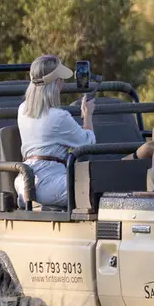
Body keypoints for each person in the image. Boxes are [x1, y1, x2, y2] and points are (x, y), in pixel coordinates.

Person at [15, 54, 95, 208]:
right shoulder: (59, 117)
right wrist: (87, 115)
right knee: (97, 186)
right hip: (50, 184)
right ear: (56, 83)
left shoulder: (22, 109)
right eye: (61, 79)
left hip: (25, 181)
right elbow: (88, 143)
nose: (62, 82)